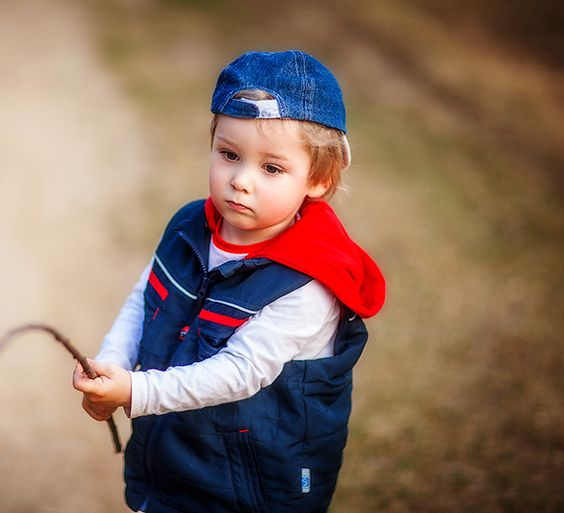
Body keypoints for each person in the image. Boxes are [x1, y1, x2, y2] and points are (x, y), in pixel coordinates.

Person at [72, 50, 386, 513]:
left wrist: (136, 392)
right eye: (229, 155)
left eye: (272, 168)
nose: (241, 181)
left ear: (318, 180)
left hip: (252, 487)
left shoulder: (307, 282)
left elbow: (240, 374)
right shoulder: (188, 227)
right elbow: (146, 299)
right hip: (176, 457)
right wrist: (112, 364)